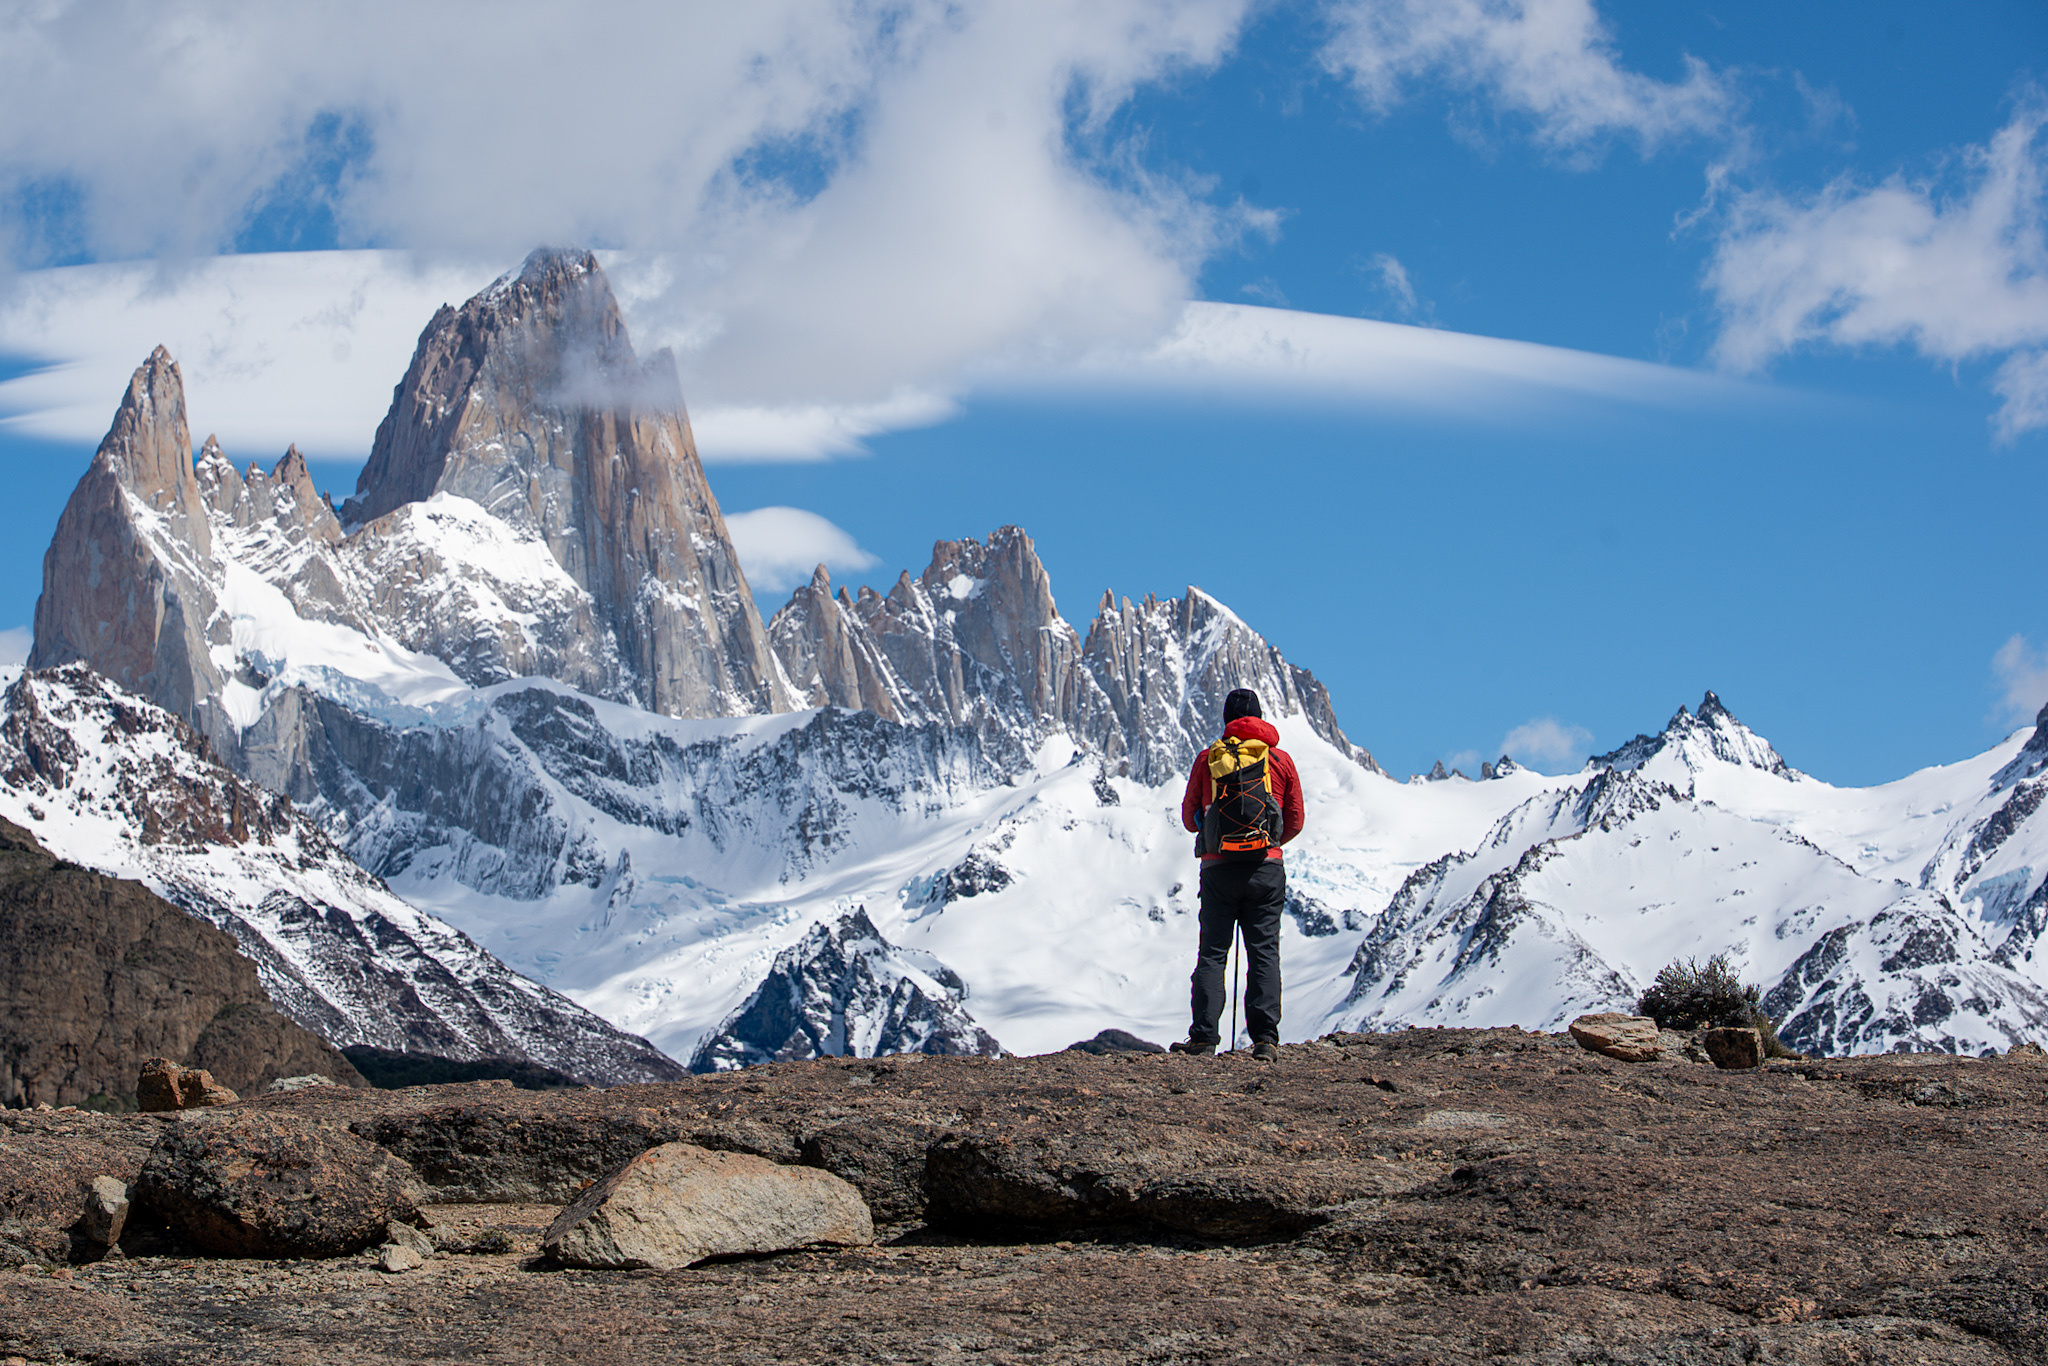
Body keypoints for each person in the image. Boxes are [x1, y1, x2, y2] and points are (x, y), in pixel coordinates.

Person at [1171, 687, 1304, 1061]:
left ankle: (1203, 1039)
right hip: (1266, 868)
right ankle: (1265, 1040)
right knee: (1263, 953)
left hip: (1218, 869)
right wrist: (1270, 842)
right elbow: (1295, 819)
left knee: (1213, 954)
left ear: (1227, 721)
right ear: (1261, 718)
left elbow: (1188, 818)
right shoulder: (1279, 761)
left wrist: (1212, 832)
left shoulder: (1208, 759)